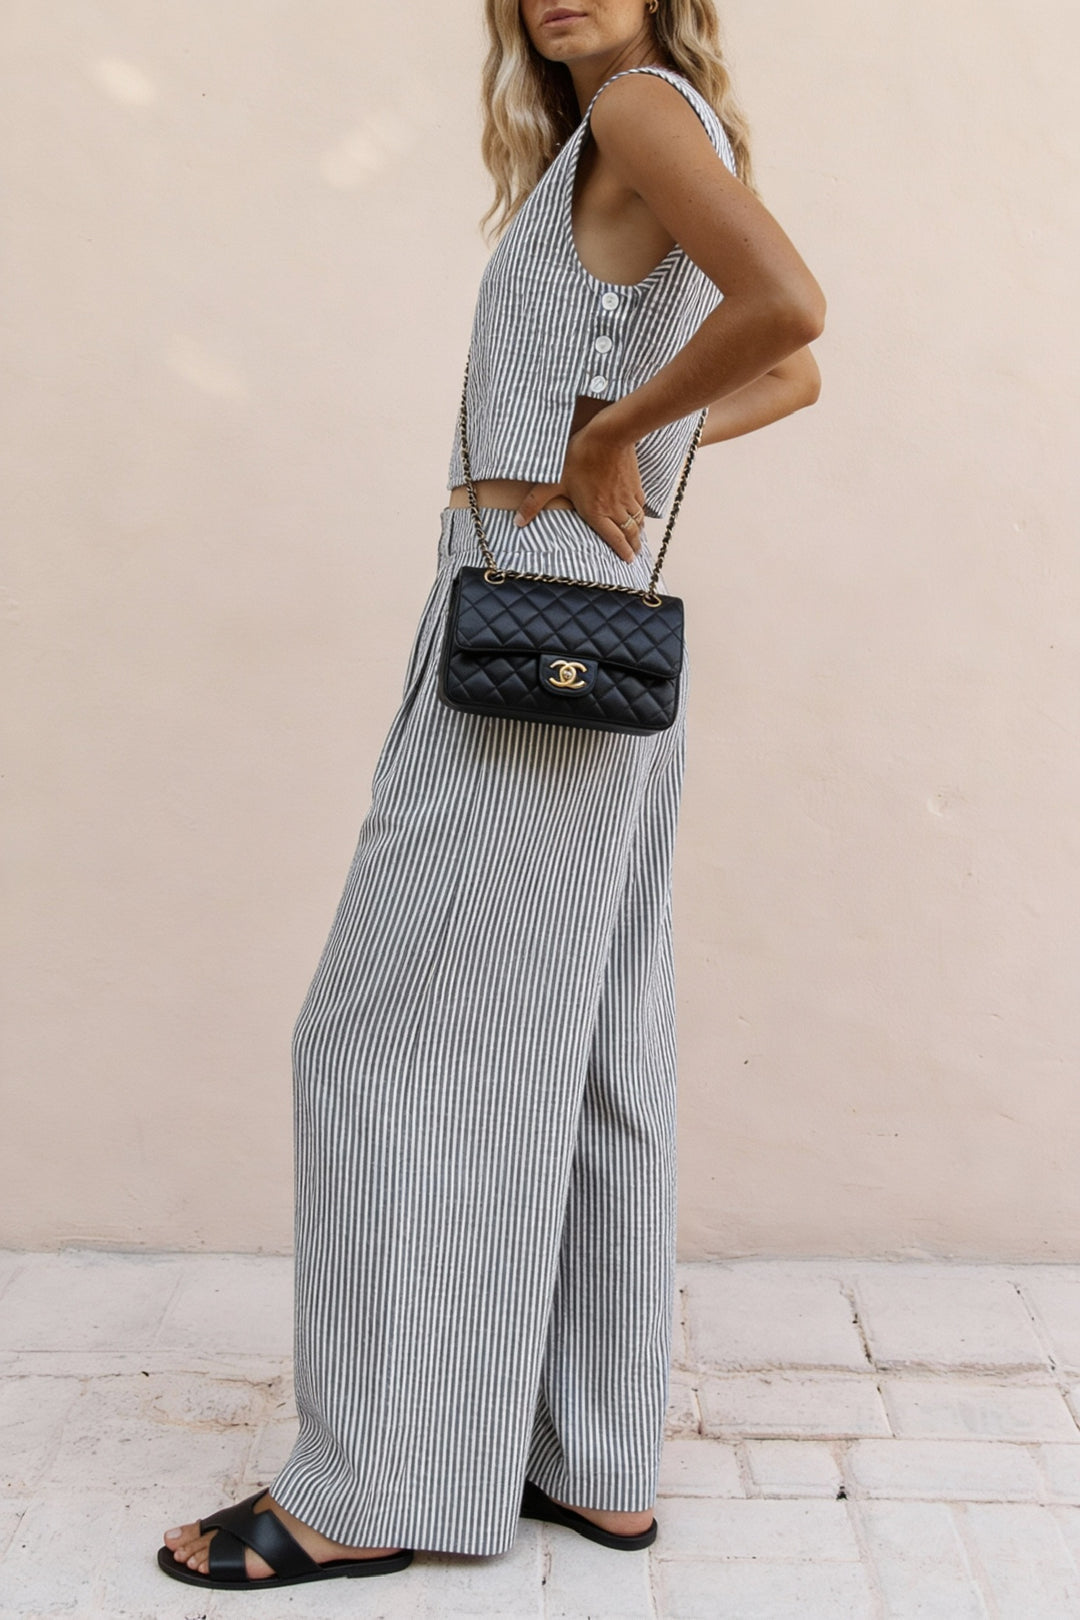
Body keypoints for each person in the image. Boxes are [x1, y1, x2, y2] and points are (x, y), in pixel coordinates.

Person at [158, 0, 824, 1591]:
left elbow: (792, 313)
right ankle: (590, 1461)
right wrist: (633, 440)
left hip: (523, 632)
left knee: (377, 1043)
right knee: (591, 1048)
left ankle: (369, 1489)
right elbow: (791, 373)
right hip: (596, 640)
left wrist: (615, 432)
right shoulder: (645, 126)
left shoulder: (641, 109)